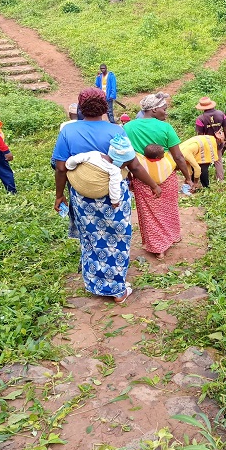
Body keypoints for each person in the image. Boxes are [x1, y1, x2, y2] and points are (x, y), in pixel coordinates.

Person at [53, 88, 161, 303]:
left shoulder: (68, 131)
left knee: (92, 237)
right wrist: (153, 185)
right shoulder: (116, 131)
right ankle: (117, 289)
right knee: (117, 238)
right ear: (104, 107)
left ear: (81, 107)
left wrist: (59, 196)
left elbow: (60, 168)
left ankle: (95, 281)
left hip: (83, 196)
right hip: (114, 197)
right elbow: (135, 166)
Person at [124, 92, 194, 260]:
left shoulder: (128, 127)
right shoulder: (166, 128)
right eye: (164, 108)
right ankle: (170, 237)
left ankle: (158, 247)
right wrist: (188, 177)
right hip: (166, 176)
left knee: (149, 212)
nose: (166, 112)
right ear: (154, 110)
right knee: (168, 209)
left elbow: (125, 156)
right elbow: (178, 157)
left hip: (142, 177)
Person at [64, 135, 135, 208]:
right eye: (125, 164)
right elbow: (114, 186)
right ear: (119, 162)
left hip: (82, 199)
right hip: (101, 202)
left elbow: (76, 159)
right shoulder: (114, 170)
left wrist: (69, 166)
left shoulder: (95, 154)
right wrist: (115, 201)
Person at [194, 96, 226, 181]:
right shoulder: (221, 114)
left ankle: (204, 180)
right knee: (218, 160)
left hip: (207, 142)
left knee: (205, 161)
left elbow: (200, 134)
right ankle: (220, 179)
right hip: (219, 140)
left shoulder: (200, 119)